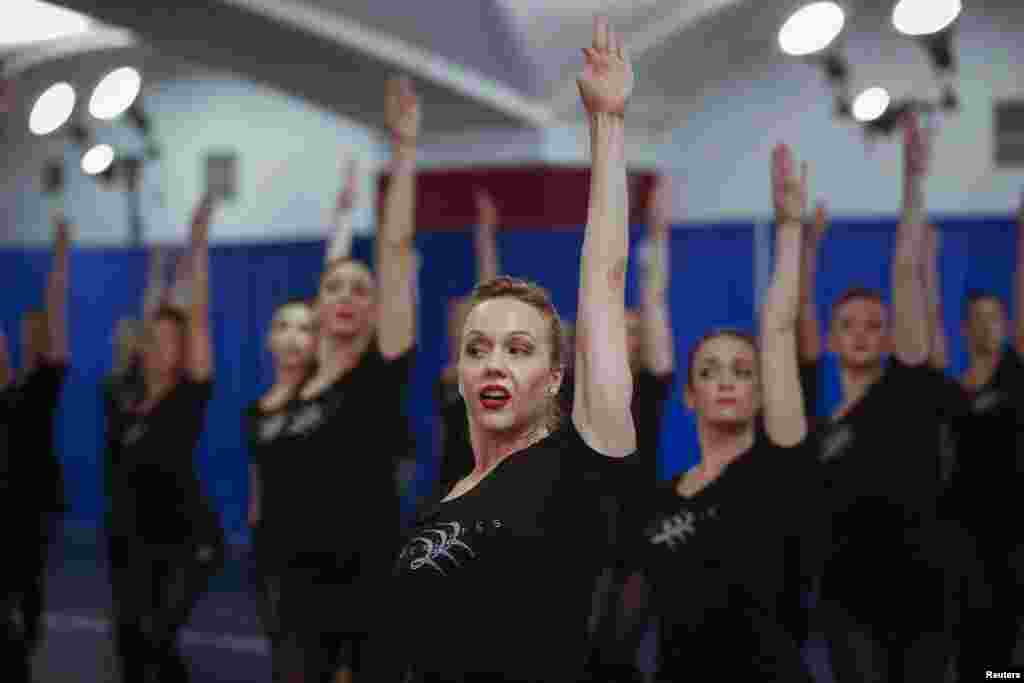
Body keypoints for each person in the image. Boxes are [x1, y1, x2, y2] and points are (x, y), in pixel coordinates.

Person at [373, 17, 638, 682]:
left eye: (519, 349)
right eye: (478, 347)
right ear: (458, 371)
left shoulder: (576, 463)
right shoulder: (452, 492)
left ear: (554, 376)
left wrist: (607, 124)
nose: (494, 361)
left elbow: (603, 274)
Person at [622, 144, 822, 681]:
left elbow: (777, 329)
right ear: (690, 396)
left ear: (761, 393)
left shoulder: (778, 465)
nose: (728, 380)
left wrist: (787, 227)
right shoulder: (662, 499)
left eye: (742, 370)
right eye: (710, 371)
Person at [261, 77, 420, 683]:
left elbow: (397, 250)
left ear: (376, 309)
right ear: (318, 307)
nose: (349, 296)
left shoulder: (380, 374)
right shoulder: (292, 392)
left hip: (373, 586)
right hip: (300, 593)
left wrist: (403, 154)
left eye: (361, 288)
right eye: (335, 287)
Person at [798, 113, 962, 682]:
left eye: (875, 324)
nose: (863, 333)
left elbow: (906, 269)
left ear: (892, 336)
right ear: (834, 337)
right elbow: (797, 321)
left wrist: (912, 180)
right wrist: (806, 249)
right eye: (849, 325)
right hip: (848, 601)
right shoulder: (822, 421)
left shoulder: (907, 389)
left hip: (923, 595)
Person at [245, 157, 356, 682]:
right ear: (269, 339)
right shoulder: (257, 411)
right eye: (283, 327)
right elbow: (259, 488)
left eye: (304, 328)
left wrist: (340, 221)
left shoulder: (327, 392)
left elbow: (333, 298)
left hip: (336, 561)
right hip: (275, 562)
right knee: (288, 669)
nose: (294, 336)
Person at [105, 195, 224, 683]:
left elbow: (194, 312)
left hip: (182, 540)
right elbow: (155, 315)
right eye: (153, 337)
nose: (160, 345)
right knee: (131, 646)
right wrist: (157, 275)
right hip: (131, 542)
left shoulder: (187, 395)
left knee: (158, 640)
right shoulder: (126, 395)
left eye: (172, 340)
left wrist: (196, 242)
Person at [584, 174, 676, 681]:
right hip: (585, 537)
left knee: (619, 655)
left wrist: (657, 238)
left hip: (638, 536)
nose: (629, 335)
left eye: (637, 332)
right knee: (587, 656)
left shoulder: (653, 386)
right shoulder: (581, 387)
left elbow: (655, 301)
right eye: (621, 326)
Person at [941, 195, 1024, 676]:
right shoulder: (952, 392)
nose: (989, 327)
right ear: (966, 329)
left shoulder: (1016, 376)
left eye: (997, 319)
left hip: (1012, 537)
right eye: (980, 320)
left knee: (1007, 655)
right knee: (972, 648)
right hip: (964, 539)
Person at [0, 214, 70, 682]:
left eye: (32, 334)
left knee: (22, 612)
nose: (22, 340)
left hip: (25, 517)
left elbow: (56, 316)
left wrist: (60, 259)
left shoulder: (40, 386)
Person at [437, 188, 501, 495]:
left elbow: (489, 295)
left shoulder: (495, 373)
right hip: (454, 481)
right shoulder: (450, 376)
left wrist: (485, 235)